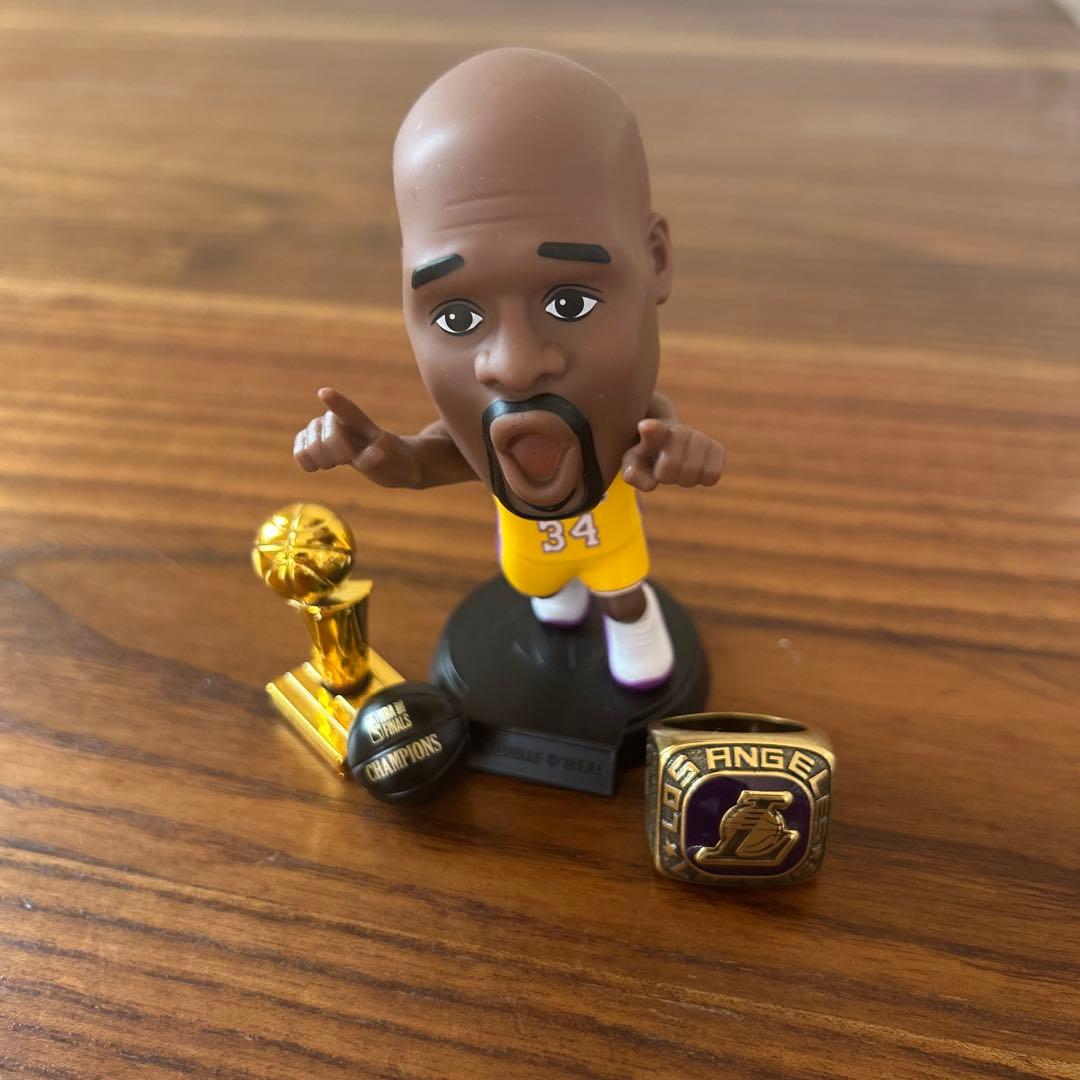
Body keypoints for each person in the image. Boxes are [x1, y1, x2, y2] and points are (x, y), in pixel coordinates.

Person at [294, 48, 724, 689]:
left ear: (655, 259)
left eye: (569, 303)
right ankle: (561, 599)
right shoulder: (481, 437)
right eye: (458, 317)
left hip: (611, 548)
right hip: (528, 559)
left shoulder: (634, 420)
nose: (515, 369)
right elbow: (417, 466)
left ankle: (632, 621)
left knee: (619, 591)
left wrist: (681, 454)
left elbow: (658, 446)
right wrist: (369, 449)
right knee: (549, 598)